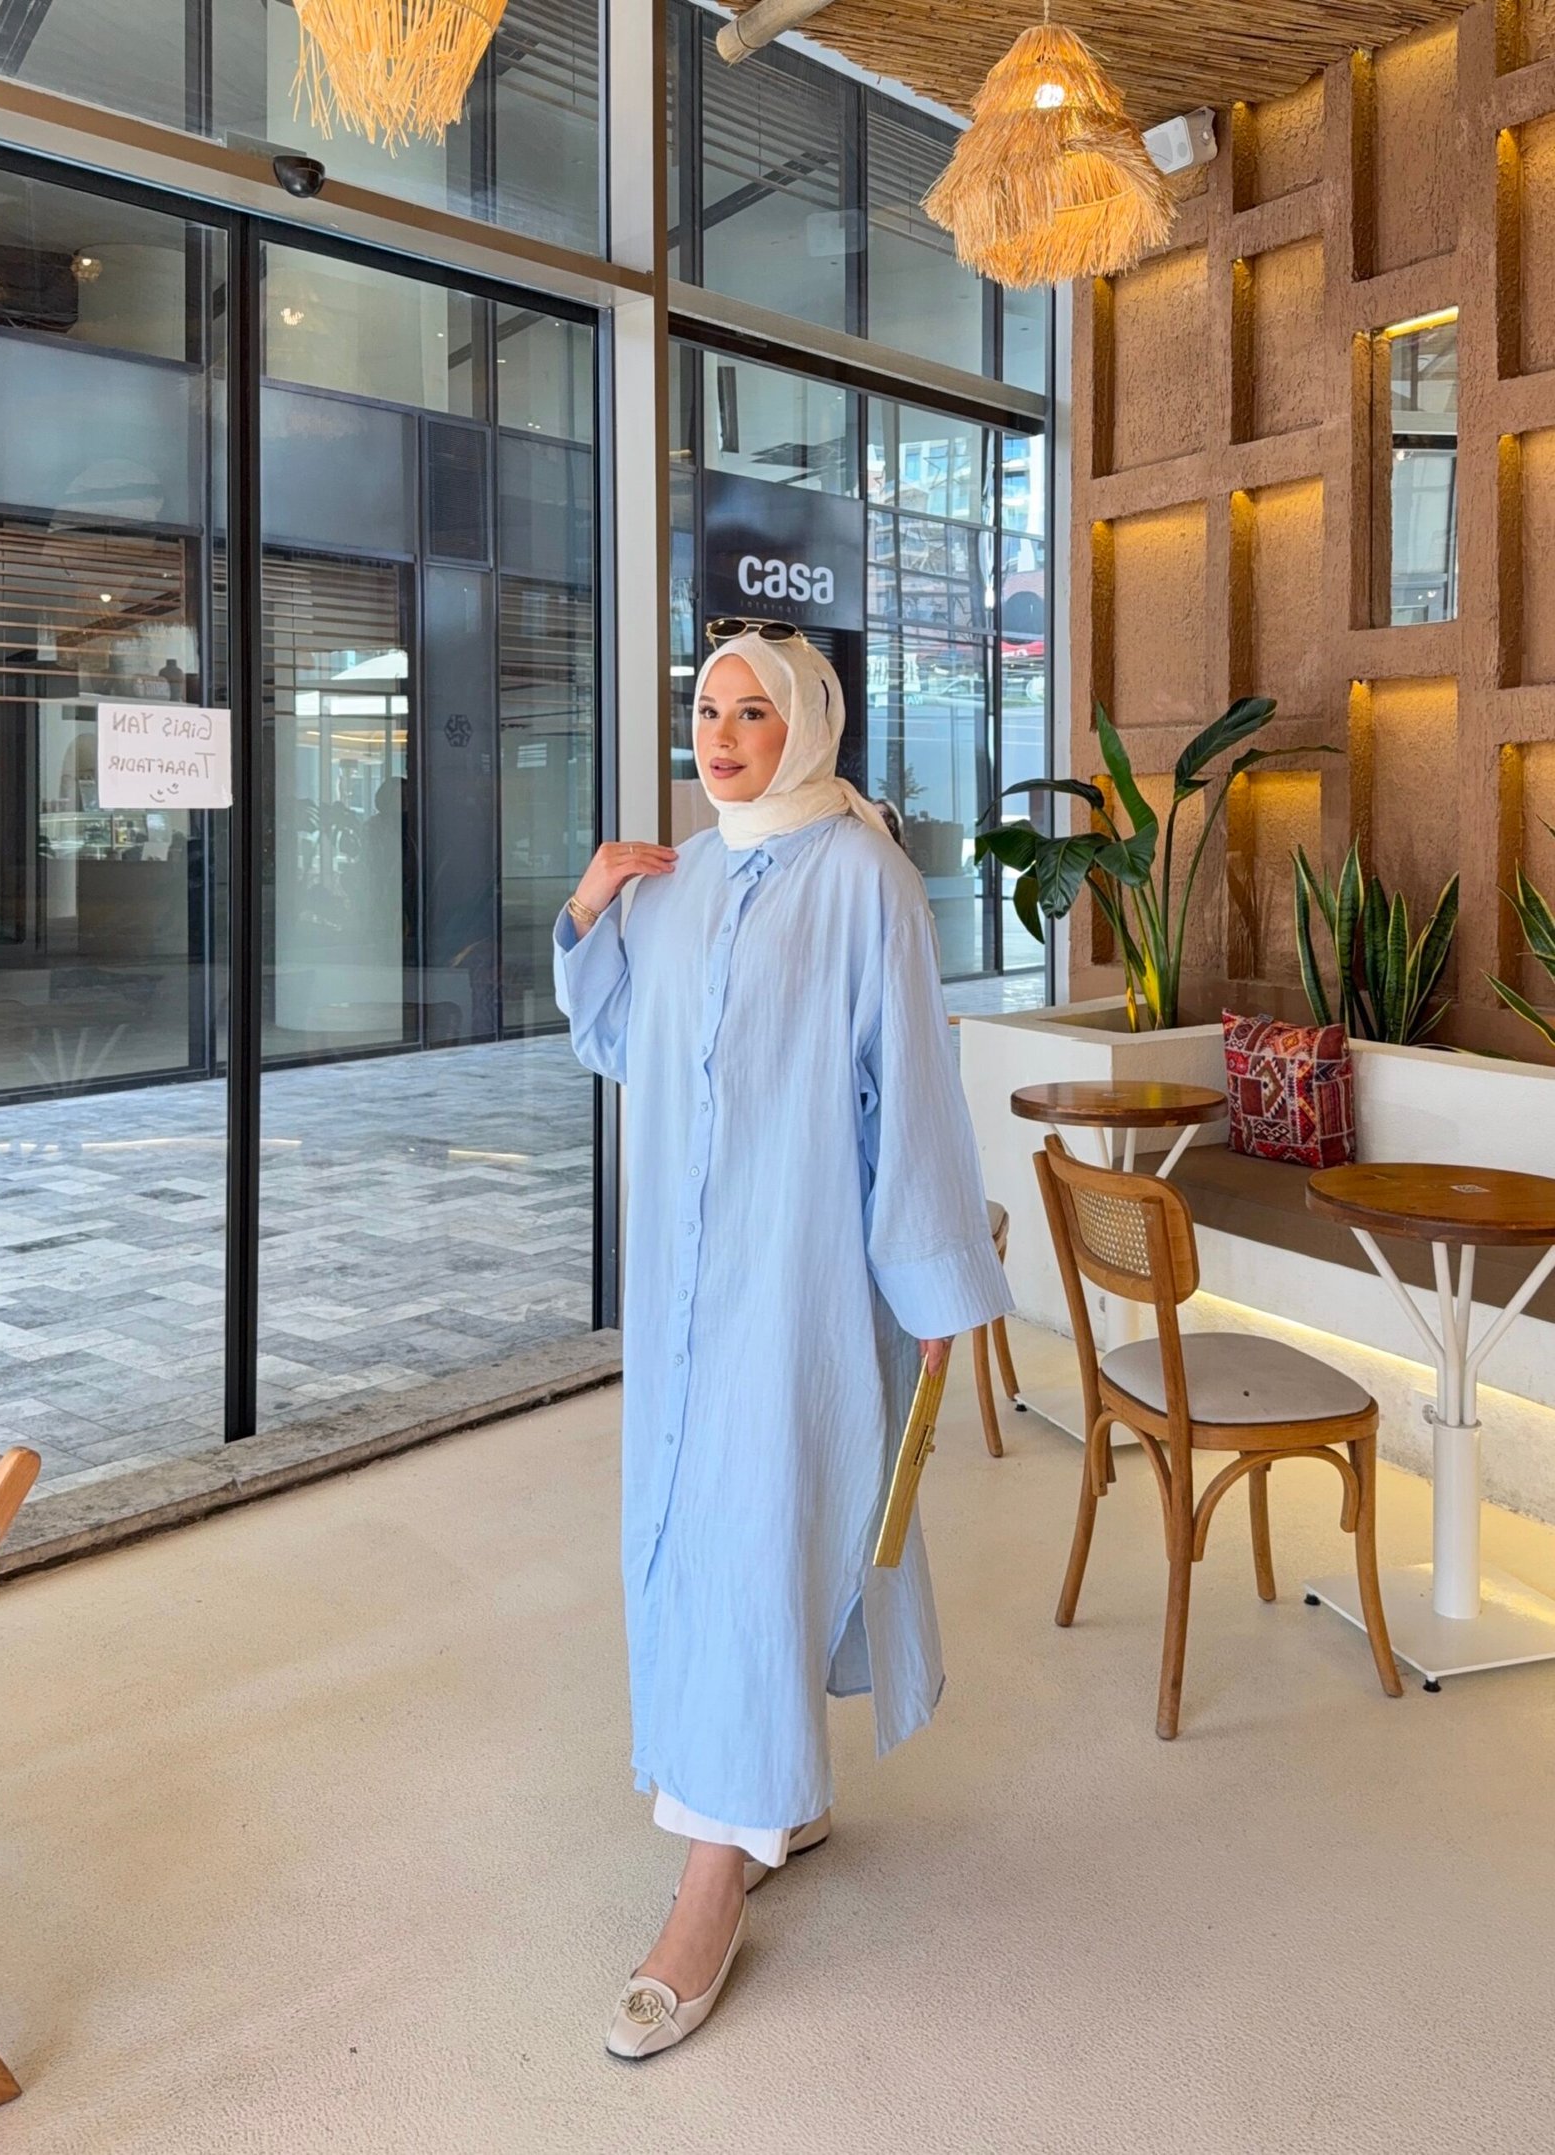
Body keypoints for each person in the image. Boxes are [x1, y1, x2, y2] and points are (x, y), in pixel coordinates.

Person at [553, 622, 1012, 2060]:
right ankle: (773, 1801)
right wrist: (587, 913)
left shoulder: (866, 878)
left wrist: (933, 1293)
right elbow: (620, 1045)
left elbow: (913, 1087)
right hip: (684, 1290)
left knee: (759, 1537)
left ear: (810, 723)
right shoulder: (680, 881)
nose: (723, 735)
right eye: (708, 708)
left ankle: (708, 1884)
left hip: (802, 1276)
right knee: (695, 1534)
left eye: (755, 712)